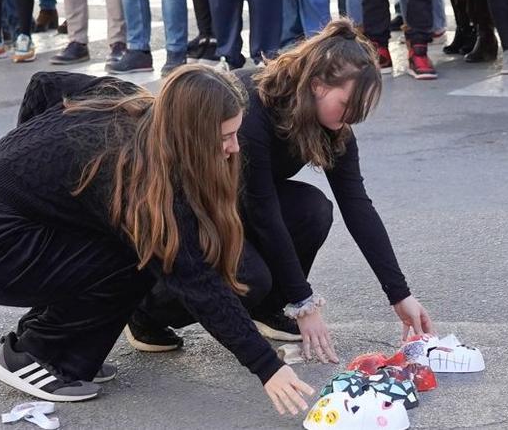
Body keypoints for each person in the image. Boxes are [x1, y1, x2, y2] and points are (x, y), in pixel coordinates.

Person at [0, 66, 315, 414]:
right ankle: (38, 355)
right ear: (190, 135)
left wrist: (38, 179)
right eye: (224, 137)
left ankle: (72, 345)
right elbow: (197, 281)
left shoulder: (134, 102)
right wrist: (267, 368)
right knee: (139, 253)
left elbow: (44, 84)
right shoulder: (138, 175)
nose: (234, 148)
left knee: (119, 241)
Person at [132, 19, 435, 363]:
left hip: (235, 202)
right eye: (348, 104)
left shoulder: (334, 125)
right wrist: (304, 301)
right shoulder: (253, 110)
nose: (352, 117)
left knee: (313, 209)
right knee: (249, 278)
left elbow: (357, 206)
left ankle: (268, 307)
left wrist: (400, 294)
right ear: (318, 85)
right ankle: (146, 310)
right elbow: (263, 212)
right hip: (184, 205)